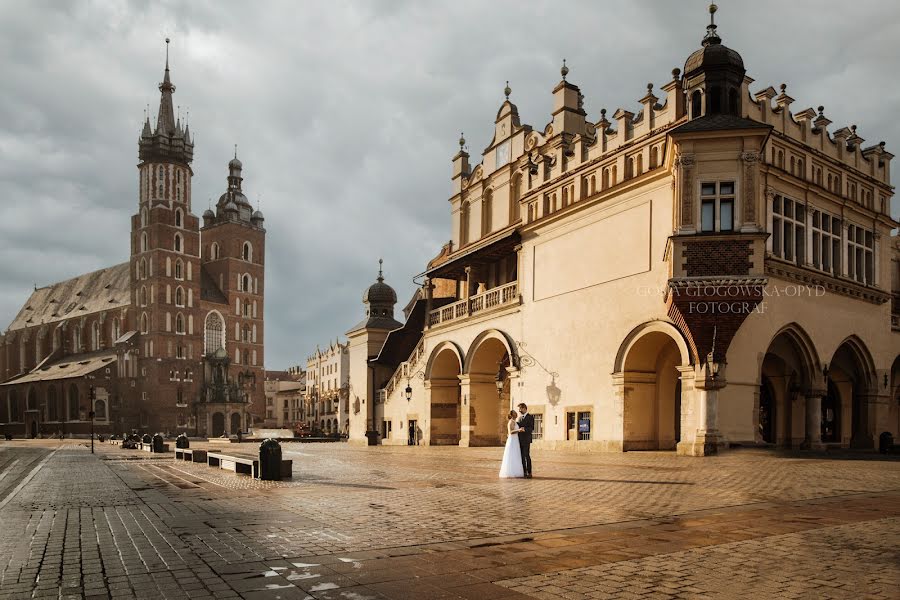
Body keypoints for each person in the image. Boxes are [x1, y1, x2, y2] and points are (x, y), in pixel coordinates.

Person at [499, 410, 525, 478]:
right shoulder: (511, 422)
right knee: (511, 454)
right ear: (512, 415)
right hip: (512, 440)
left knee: (516, 454)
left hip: (515, 440)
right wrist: (519, 430)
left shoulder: (515, 422)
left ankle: (516, 470)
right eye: (515, 413)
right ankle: (510, 471)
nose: (516, 414)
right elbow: (510, 432)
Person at [517, 403, 534, 478]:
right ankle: (524, 472)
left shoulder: (530, 417)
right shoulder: (520, 418)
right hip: (520, 440)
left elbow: (531, 428)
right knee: (521, 456)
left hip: (526, 440)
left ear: (524, 408)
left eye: (520, 409)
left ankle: (529, 472)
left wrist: (524, 429)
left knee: (526, 455)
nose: (519, 410)